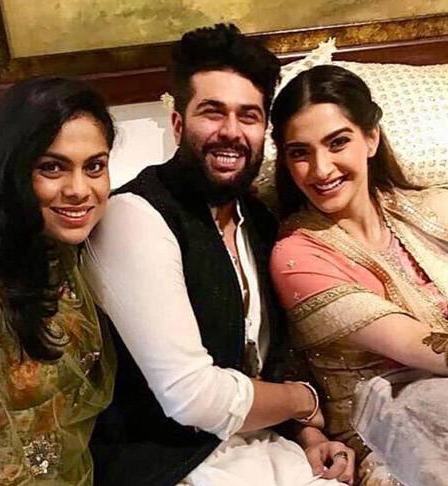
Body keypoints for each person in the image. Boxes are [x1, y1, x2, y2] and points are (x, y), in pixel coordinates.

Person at [83, 24, 354, 486]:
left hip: (261, 451)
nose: (231, 132)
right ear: (178, 124)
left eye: (249, 116)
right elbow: (192, 398)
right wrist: (304, 402)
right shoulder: (134, 216)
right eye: (212, 112)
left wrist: (310, 437)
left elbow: (270, 359)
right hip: (166, 465)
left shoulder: (260, 221)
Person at [269, 64, 448, 485]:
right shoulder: (297, 255)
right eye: (300, 153)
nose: (321, 170)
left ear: (371, 138)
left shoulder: (431, 209)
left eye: (338, 143)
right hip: (395, 423)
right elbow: (420, 348)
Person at [0, 76, 116, 485]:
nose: (79, 190)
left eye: (94, 166)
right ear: (10, 170)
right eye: (52, 167)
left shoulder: (65, 253)